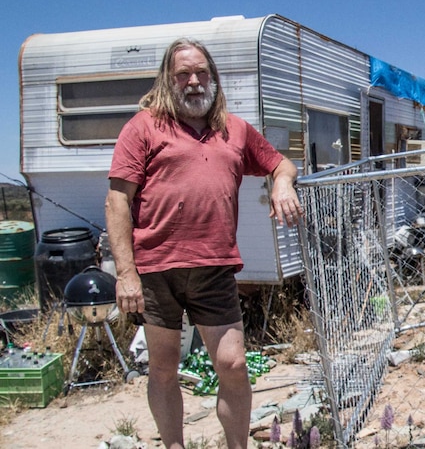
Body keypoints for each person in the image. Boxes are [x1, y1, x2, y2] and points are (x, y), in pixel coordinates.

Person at [105, 37, 303, 449]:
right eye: (183, 74)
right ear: (168, 79)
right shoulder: (143, 126)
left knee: (232, 364)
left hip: (215, 266)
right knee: (162, 367)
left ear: (213, 78)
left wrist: (282, 182)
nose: (193, 81)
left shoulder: (235, 129)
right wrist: (126, 274)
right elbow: (117, 200)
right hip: (156, 267)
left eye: (201, 73)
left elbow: (281, 162)